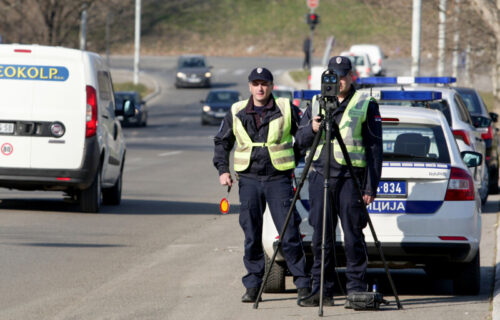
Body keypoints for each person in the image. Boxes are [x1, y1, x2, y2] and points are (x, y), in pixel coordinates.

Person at [213, 67, 311, 303]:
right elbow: (221, 141)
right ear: (249, 86)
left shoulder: (287, 108)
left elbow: (304, 136)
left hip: (278, 179)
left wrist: (294, 157)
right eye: (255, 84)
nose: (260, 88)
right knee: (252, 235)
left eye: (264, 84)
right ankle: (253, 285)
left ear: (271, 86)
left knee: (288, 235)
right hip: (249, 180)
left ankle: (303, 285)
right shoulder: (236, 111)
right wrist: (223, 170)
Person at [295, 56, 383, 307]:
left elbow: (374, 148)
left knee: (353, 236)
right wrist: (311, 128)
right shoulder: (316, 103)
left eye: (343, 75)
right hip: (320, 177)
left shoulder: (365, 103)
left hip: (349, 180)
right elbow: (300, 143)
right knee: (321, 238)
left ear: (351, 76)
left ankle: (356, 289)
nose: (339, 81)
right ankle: (322, 289)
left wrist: (370, 185)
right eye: (333, 76)